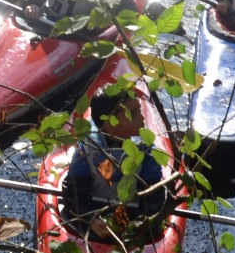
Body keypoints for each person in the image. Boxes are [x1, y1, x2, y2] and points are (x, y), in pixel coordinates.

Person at [59, 86, 170, 239]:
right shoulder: (88, 147)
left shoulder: (146, 149)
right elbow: (73, 193)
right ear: (111, 125)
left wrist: (137, 224)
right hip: (94, 210)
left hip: (134, 213)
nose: (142, 117)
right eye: (133, 113)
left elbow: (155, 199)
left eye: (139, 110)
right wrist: (91, 219)